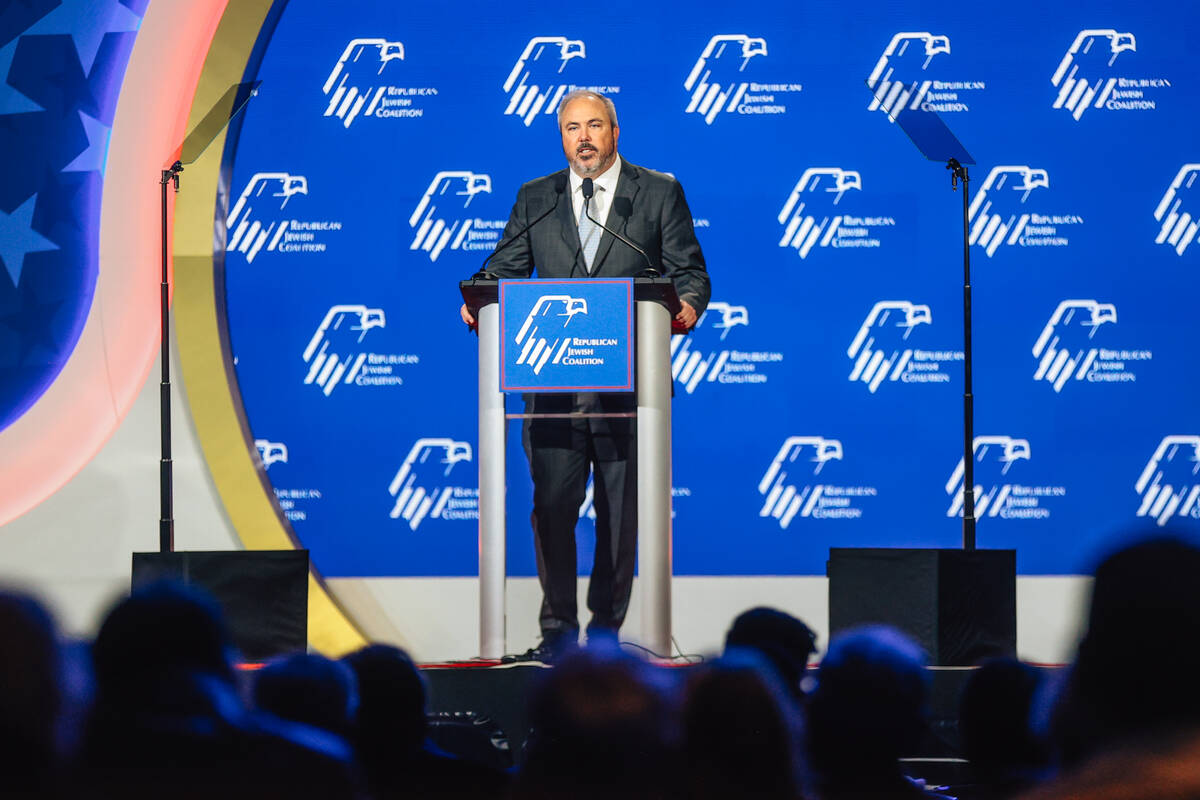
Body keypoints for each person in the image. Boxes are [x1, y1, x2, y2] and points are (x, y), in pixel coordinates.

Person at [460, 90, 710, 660]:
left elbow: (690, 271)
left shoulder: (658, 192)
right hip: (552, 389)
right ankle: (556, 634)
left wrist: (688, 305)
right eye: (573, 128)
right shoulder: (537, 197)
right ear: (562, 137)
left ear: (615, 132)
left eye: (595, 125)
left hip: (631, 389)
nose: (585, 138)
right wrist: (480, 298)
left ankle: (603, 639)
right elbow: (504, 267)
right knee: (551, 510)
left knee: (620, 519)